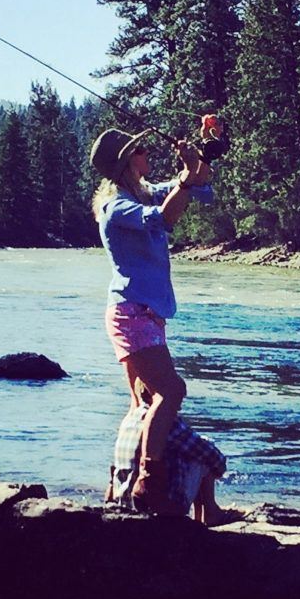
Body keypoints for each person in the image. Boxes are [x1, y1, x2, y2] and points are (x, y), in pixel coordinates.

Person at [90, 125, 212, 513]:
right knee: (171, 392)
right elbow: (162, 219)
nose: (146, 153)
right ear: (127, 163)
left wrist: (201, 156)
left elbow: (200, 189)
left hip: (144, 313)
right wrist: (186, 179)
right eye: (140, 150)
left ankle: (118, 483)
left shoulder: (140, 191)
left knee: (143, 402)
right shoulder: (117, 206)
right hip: (131, 314)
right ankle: (148, 478)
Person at [106, 382, 243, 525]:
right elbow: (216, 460)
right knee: (203, 450)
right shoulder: (166, 423)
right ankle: (210, 512)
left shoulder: (128, 421)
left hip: (124, 502)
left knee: (185, 451)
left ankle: (202, 515)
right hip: (157, 504)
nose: (179, 404)